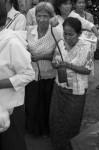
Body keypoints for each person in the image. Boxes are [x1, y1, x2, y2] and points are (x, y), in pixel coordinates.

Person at [50, 17, 94, 150]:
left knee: (71, 122)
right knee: (56, 118)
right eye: (65, 33)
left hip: (76, 92)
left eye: (71, 34)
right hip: (59, 87)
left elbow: (87, 70)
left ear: (79, 34)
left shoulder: (87, 47)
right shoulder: (60, 43)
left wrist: (69, 65)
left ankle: (69, 146)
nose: (67, 37)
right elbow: (54, 61)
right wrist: (55, 64)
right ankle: (57, 144)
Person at [0, 1, 35, 150]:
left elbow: (28, 74)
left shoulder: (12, 43)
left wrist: (1, 83)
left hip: (11, 108)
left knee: (12, 144)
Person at [25, 2, 63, 137]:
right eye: (38, 16)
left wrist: (42, 56)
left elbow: (62, 54)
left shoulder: (56, 32)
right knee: (32, 104)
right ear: (35, 16)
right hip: (31, 75)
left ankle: (45, 130)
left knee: (45, 105)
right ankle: (32, 129)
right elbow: (21, 47)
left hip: (49, 76)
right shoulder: (29, 30)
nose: (41, 19)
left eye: (45, 16)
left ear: (51, 17)